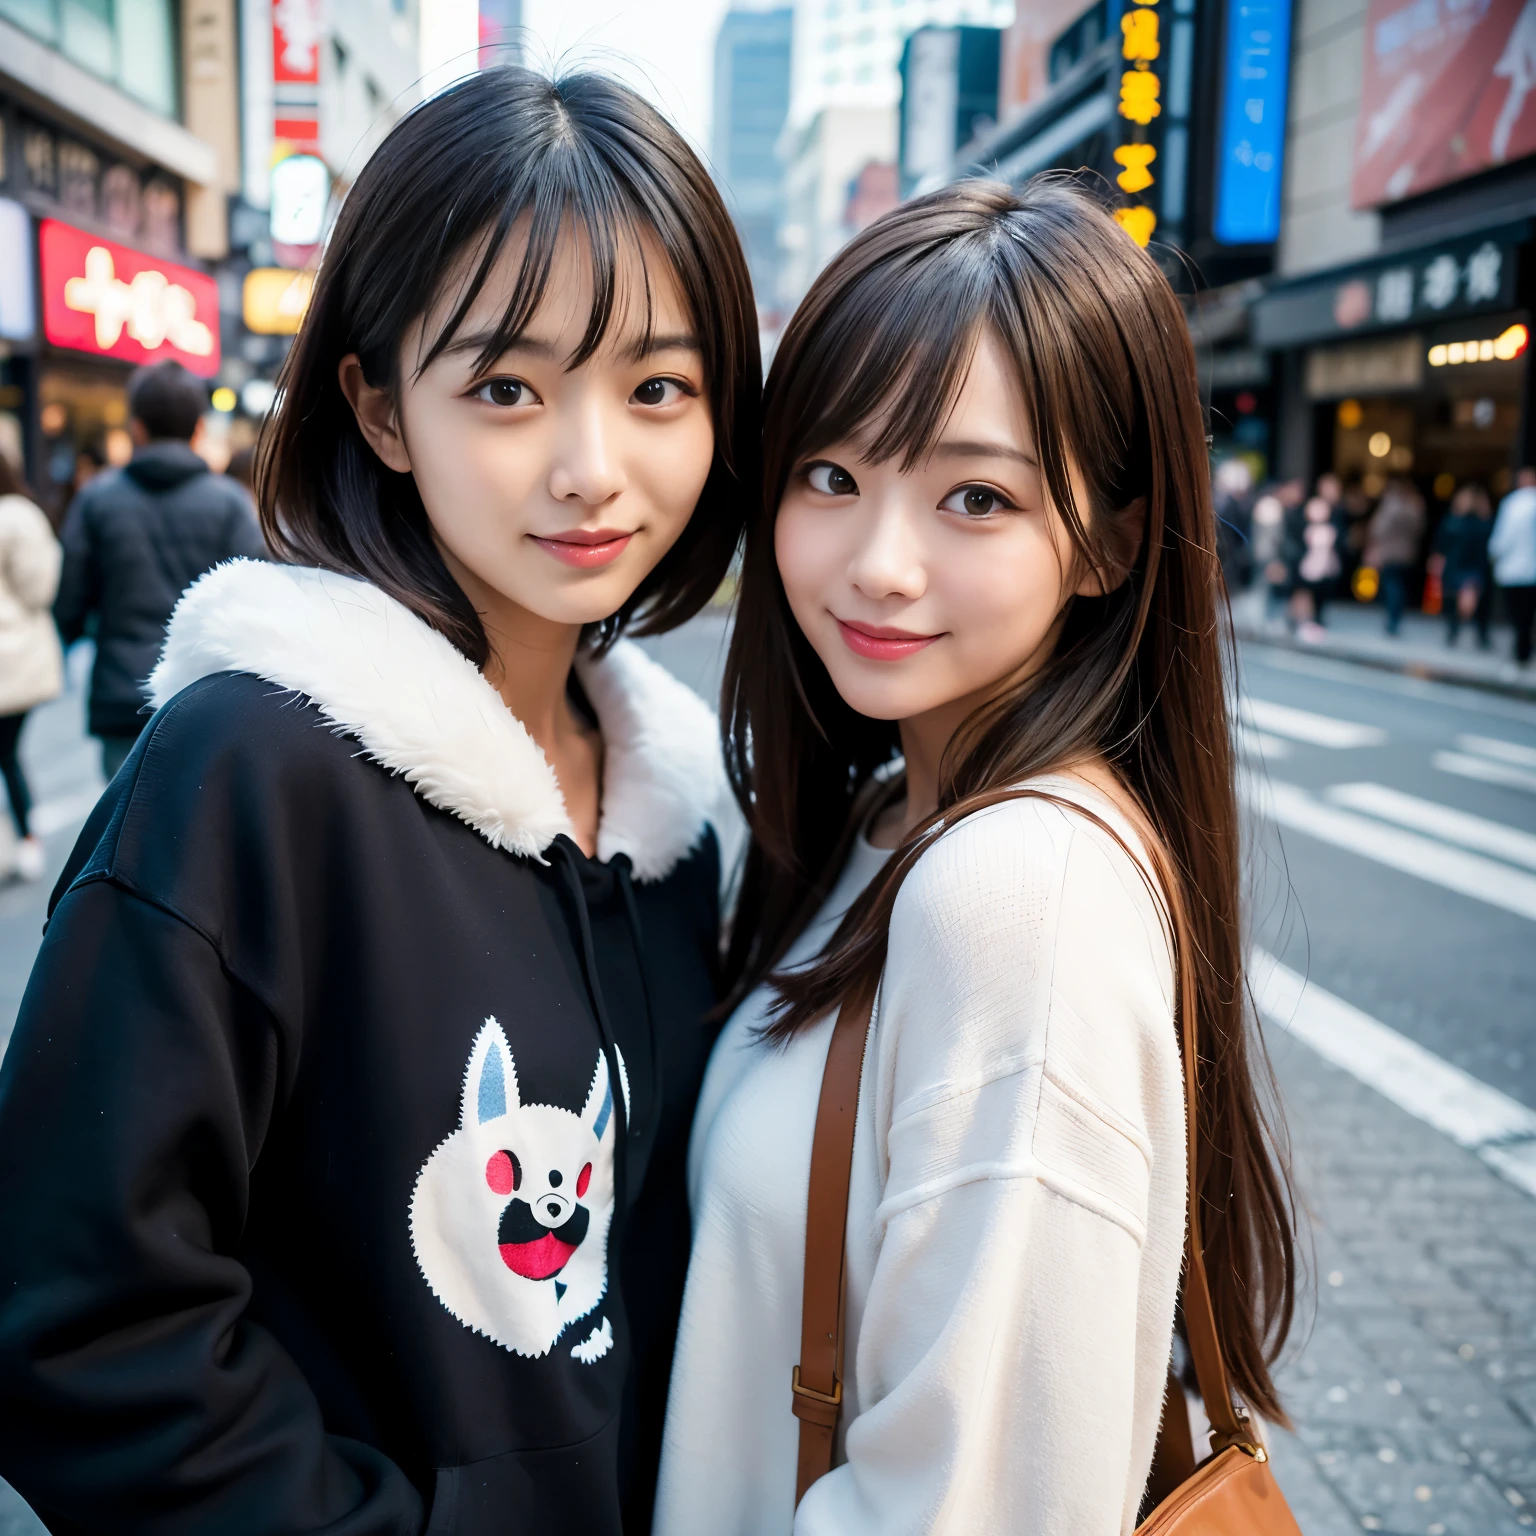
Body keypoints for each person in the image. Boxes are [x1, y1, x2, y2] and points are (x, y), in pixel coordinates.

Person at [0, 67, 759, 1535]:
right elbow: (72, 1310)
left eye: (658, 388)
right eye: (506, 389)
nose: (592, 470)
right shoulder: (254, 768)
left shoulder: (677, 826)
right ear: (381, 407)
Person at [656, 181, 1296, 1533]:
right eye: (831, 476)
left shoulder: (1017, 897)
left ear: (1115, 543)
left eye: (974, 496)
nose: (878, 563)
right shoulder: (893, 811)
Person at [53, 360, 267, 781]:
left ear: (136, 427)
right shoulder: (230, 505)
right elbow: (256, 601)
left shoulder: (97, 500)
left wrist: (72, 634)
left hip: (122, 693)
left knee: (119, 832)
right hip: (204, 698)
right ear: (198, 428)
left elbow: (70, 602)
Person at [0, 452, 63, 881]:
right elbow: (40, 588)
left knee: (5, 752)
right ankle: (25, 838)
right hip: (18, 654)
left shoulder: (15, 517)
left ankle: (24, 838)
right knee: (7, 753)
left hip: (12, 659)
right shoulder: (22, 515)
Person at [1432, 483, 1494, 649]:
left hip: (1474, 567)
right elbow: (1441, 544)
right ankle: (1453, 631)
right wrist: (1437, 561)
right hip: (1454, 565)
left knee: (1478, 605)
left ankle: (1481, 635)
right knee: (1452, 601)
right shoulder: (1452, 520)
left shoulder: (1481, 522)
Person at [1365, 477, 1426, 636]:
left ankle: (1392, 620)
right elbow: (1419, 529)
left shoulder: (1391, 505)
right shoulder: (1414, 506)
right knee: (1400, 586)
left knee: (1391, 586)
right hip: (1407, 553)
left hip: (1390, 552)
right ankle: (1396, 618)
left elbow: (1379, 528)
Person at [1490, 465, 1536, 666]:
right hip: (1527, 570)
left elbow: (1503, 537)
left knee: (1518, 613)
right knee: (1527, 613)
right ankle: (1523, 649)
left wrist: (1494, 553)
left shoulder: (1514, 504)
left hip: (1515, 570)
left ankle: (1522, 650)